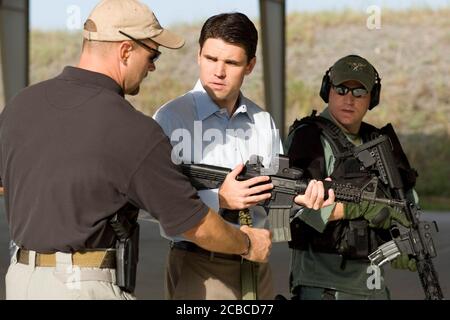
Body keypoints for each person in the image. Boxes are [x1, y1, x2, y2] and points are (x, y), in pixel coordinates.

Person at [0, 0, 273, 300]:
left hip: (20, 280)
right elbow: (194, 224)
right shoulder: (132, 129)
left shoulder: (20, 106)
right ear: (126, 51)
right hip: (83, 286)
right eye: (152, 54)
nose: (153, 66)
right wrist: (247, 243)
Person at [154, 12, 334, 300]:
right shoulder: (171, 119)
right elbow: (154, 204)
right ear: (199, 54)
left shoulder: (263, 121)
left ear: (250, 66)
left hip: (256, 266)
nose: (219, 71)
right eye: (211, 59)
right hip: (200, 266)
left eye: (232, 63)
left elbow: (276, 208)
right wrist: (220, 199)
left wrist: (303, 201)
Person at [286, 55, 417, 300]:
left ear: (372, 98)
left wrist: (404, 234)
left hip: (373, 286)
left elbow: (406, 201)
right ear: (328, 90)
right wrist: (359, 207)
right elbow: (296, 208)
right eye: (341, 89)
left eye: (359, 92)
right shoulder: (310, 139)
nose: (349, 99)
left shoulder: (378, 142)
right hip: (324, 285)